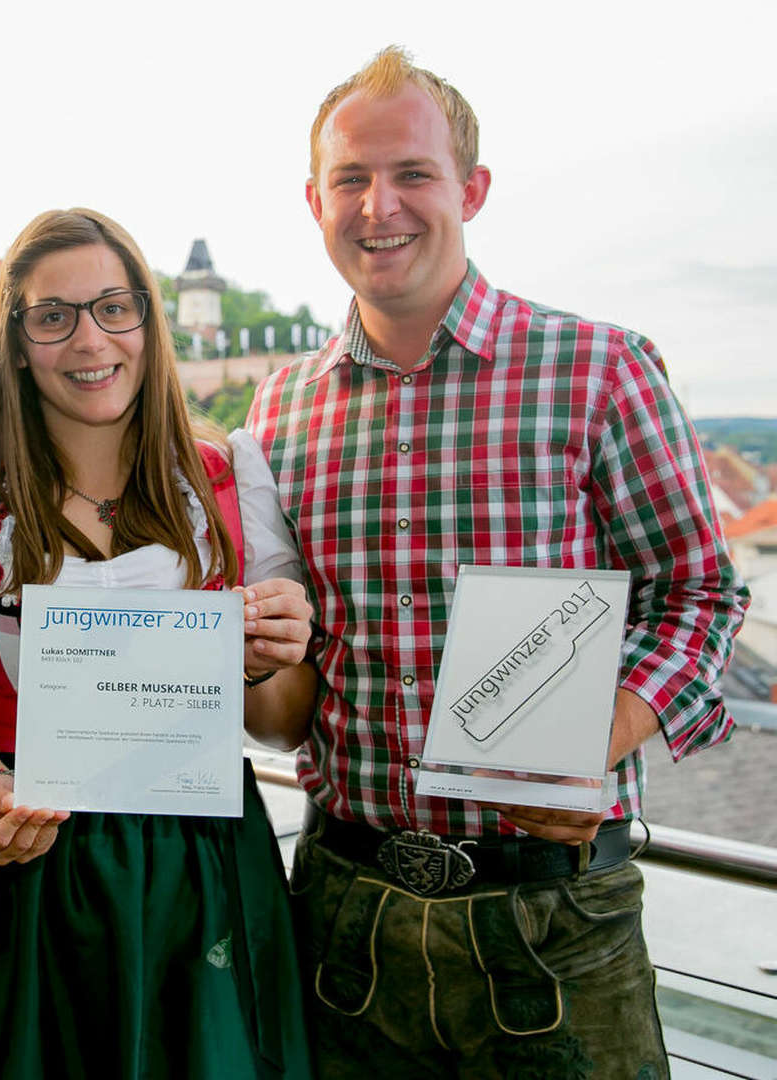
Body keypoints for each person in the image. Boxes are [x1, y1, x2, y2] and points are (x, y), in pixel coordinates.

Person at [246, 46, 749, 1079]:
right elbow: (290, 667)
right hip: (346, 919)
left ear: (470, 188)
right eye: (350, 178)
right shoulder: (279, 409)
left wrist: (593, 745)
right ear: (314, 201)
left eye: (412, 174)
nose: (379, 204)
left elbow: (699, 593)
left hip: (554, 920)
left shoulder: (599, 367)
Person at [0, 208, 314, 1079]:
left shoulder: (232, 481)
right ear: (16, 342)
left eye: (114, 308)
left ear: (150, 322)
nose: (90, 339)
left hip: (201, 864)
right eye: (54, 316)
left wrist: (266, 654)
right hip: (28, 858)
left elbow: (282, 728)